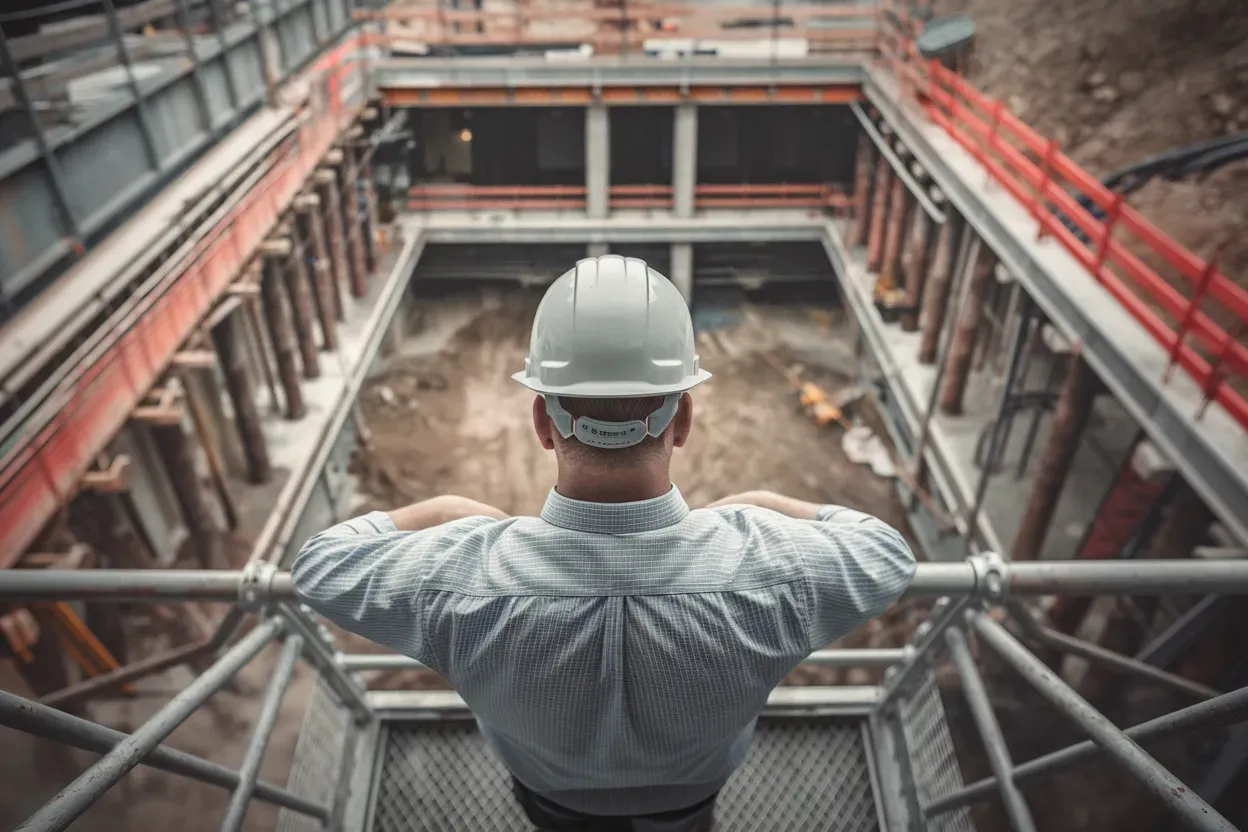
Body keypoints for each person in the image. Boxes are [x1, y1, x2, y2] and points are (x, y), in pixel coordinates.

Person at [292, 255, 917, 832]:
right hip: (690, 796)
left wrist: (448, 510)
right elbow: (886, 553)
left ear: (542, 423)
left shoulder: (460, 579)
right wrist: (762, 505)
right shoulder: (770, 568)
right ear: (685, 421)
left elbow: (320, 565)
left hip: (550, 794)